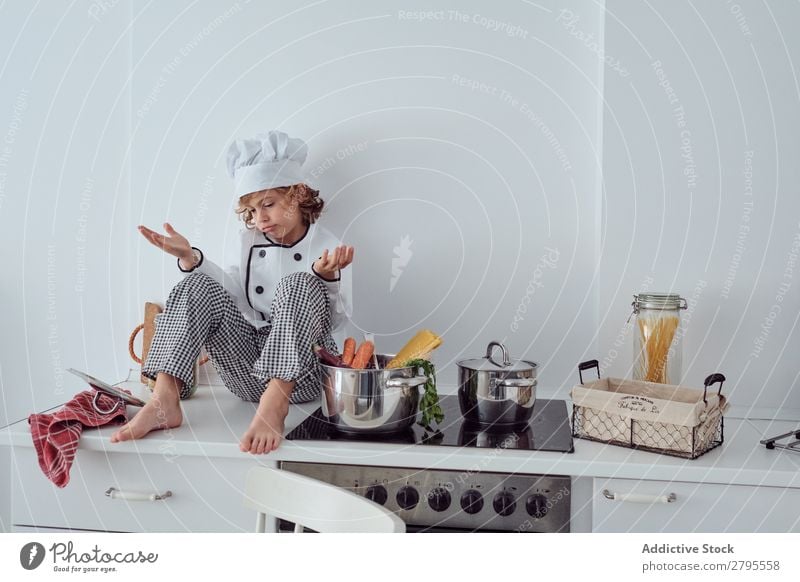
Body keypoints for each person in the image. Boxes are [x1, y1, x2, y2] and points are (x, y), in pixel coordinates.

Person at [110, 130, 354, 454]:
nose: (260, 218)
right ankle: (164, 400)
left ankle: (275, 405)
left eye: (268, 205)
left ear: (297, 195)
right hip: (247, 372)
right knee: (195, 282)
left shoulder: (328, 244)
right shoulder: (249, 241)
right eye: (252, 211)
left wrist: (325, 278)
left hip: (302, 376)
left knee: (297, 283)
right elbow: (232, 295)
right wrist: (190, 258)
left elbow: (337, 322)